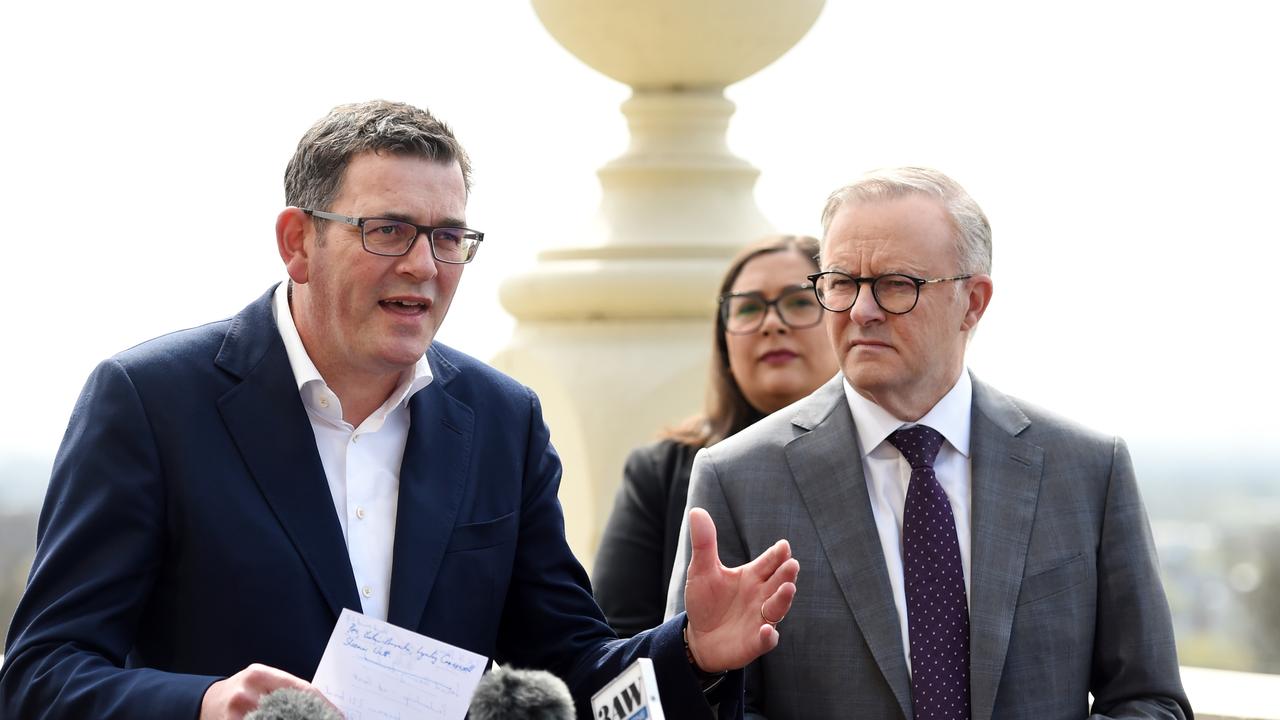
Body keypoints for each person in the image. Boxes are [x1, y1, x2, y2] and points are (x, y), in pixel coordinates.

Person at [0, 100, 799, 720]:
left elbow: (566, 670)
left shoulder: (502, 420)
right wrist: (204, 705)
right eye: (388, 230)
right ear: (296, 242)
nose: (424, 264)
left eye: (449, 237)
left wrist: (691, 650)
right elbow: (42, 674)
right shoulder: (149, 401)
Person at [668, 167, 1192, 719]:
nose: (861, 311)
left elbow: (1148, 699)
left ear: (973, 302)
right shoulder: (738, 478)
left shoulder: (1086, 469)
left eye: (897, 285)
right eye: (842, 282)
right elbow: (698, 706)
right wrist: (693, 663)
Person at [593, 235, 837, 637]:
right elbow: (618, 641)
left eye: (798, 302)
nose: (772, 324)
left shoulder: (884, 456)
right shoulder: (661, 473)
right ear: (724, 340)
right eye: (749, 308)